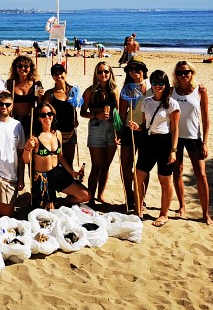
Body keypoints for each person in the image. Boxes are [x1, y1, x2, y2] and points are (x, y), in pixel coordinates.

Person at [128, 70, 180, 227]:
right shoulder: (147, 102)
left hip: (165, 142)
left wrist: (173, 150)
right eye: (155, 83)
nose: (158, 86)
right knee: (138, 176)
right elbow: (146, 125)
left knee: (165, 179)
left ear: (166, 84)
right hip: (149, 141)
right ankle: (138, 210)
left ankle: (164, 214)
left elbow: (175, 129)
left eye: (161, 83)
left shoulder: (172, 103)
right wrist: (137, 127)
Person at [24, 101, 90, 209]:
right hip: (43, 177)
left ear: (53, 115)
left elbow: (60, 156)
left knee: (85, 195)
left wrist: (71, 172)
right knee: (45, 209)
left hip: (57, 173)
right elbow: (26, 160)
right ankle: (49, 202)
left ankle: (57, 202)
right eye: (43, 115)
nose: (47, 117)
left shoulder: (57, 134)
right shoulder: (34, 138)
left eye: (49, 114)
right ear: (38, 118)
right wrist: (27, 148)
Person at [172, 61, 213, 224]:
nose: (183, 75)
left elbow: (206, 118)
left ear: (192, 73)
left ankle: (205, 213)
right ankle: (182, 206)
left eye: (186, 72)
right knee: (177, 171)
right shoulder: (171, 91)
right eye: (180, 73)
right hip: (175, 138)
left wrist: (205, 142)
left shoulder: (200, 91)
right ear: (176, 75)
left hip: (194, 137)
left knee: (201, 175)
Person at [80, 61, 118, 204]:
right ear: (96, 74)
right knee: (96, 165)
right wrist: (96, 115)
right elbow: (82, 112)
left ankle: (100, 195)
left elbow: (118, 111)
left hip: (111, 128)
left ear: (110, 73)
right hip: (96, 127)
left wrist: (116, 125)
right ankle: (90, 198)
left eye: (106, 71)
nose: (103, 74)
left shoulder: (114, 90)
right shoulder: (90, 91)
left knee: (106, 165)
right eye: (100, 72)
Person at [118, 59, 150, 213]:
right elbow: (122, 112)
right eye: (131, 69)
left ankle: (141, 199)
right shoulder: (127, 88)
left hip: (146, 131)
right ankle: (130, 197)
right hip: (129, 129)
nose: (134, 71)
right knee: (126, 165)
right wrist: (120, 131)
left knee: (143, 167)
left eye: (137, 68)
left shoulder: (151, 85)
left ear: (144, 70)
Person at [42, 63, 79, 168]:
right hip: (56, 132)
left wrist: (76, 119)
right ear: (52, 76)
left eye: (61, 73)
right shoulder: (49, 94)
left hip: (70, 132)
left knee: (69, 163)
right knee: (55, 163)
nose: (59, 76)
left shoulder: (73, 90)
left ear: (65, 73)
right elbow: (44, 112)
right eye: (55, 74)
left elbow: (74, 107)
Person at [6, 55, 43, 139]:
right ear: (16, 68)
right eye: (20, 66)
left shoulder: (36, 84)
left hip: (31, 119)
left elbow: (40, 103)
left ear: (30, 68)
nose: (23, 69)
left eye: (26, 66)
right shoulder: (10, 83)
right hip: (14, 119)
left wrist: (41, 95)